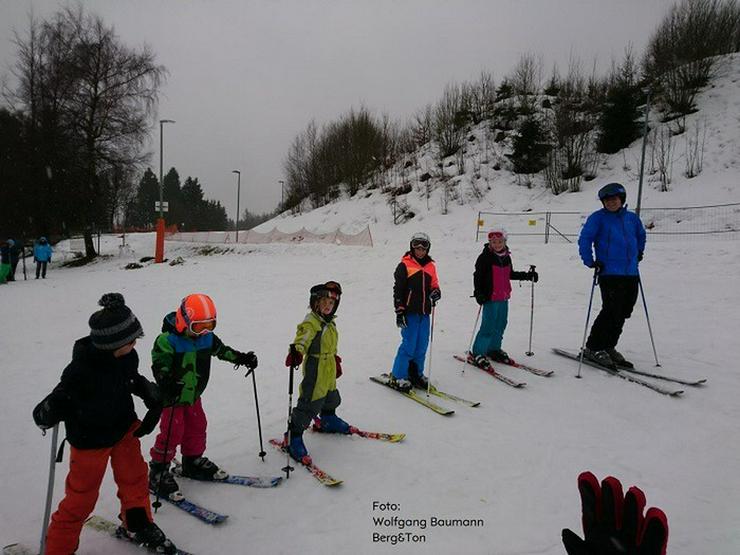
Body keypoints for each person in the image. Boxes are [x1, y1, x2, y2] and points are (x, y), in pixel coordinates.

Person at [31, 293, 177, 555]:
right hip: (89, 441)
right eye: (130, 341)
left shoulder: (126, 356)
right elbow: (59, 397)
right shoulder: (80, 371)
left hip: (124, 429)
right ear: (111, 343)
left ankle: (137, 523)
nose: (135, 344)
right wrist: (47, 411)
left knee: (135, 480)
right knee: (81, 498)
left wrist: (148, 391)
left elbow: (129, 378)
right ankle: (59, 548)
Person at [148, 293, 258, 496]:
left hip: (193, 395)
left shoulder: (207, 339)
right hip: (173, 398)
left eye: (210, 325)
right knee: (173, 431)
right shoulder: (167, 340)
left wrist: (242, 358)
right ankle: (158, 470)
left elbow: (222, 350)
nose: (204, 332)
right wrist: (165, 381)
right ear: (184, 321)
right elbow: (159, 364)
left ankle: (192, 460)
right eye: (198, 327)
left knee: (198, 426)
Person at [578, 183, 646, 369]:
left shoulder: (632, 219)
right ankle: (593, 347)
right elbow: (585, 239)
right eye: (607, 200)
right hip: (609, 272)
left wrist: (639, 252)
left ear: (621, 200)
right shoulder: (598, 218)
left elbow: (641, 235)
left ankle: (608, 345)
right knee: (611, 310)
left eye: (614, 199)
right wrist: (590, 260)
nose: (611, 203)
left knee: (624, 311)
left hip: (630, 272)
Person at [283, 281, 349, 462]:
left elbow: (331, 344)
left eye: (331, 304)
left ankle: (328, 418)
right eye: (324, 303)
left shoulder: (330, 322)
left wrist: (334, 359)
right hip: (315, 366)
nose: (328, 307)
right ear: (315, 303)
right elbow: (302, 338)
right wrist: (297, 352)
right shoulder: (311, 322)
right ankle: (293, 436)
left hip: (328, 366)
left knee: (331, 396)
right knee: (310, 401)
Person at [471, 228, 538, 366]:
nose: (497, 244)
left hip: (503, 297)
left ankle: (493, 348)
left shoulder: (506, 256)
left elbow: (509, 274)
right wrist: (478, 292)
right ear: (489, 242)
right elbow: (477, 276)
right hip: (490, 297)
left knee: (501, 324)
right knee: (488, 325)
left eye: (500, 241)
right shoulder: (484, 257)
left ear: (504, 241)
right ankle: (478, 352)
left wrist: (527, 276)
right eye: (493, 242)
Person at [389, 232, 441, 392]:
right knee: (409, 344)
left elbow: (434, 284)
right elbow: (398, 290)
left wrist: (436, 292)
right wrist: (399, 311)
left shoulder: (430, 266)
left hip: (424, 312)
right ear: (411, 247)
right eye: (416, 245)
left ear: (428, 248)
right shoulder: (404, 265)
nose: (420, 249)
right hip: (409, 312)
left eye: (423, 246)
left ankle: (416, 373)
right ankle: (398, 376)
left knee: (422, 344)